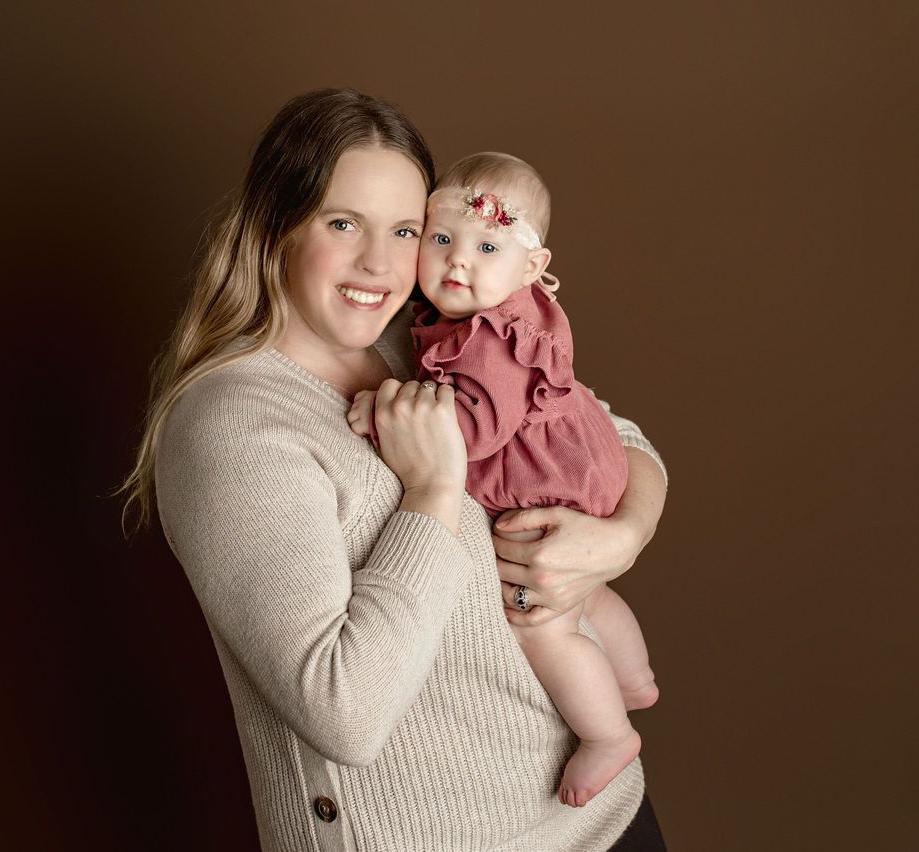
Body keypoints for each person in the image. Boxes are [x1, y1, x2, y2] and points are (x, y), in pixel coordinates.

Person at [120, 89, 668, 851]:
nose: (380, 263)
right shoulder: (231, 428)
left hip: (603, 821)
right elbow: (344, 711)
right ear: (276, 226)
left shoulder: (419, 338)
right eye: (343, 223)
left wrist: (621, 537)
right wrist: (435, 490)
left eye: (406, 230)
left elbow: (613, 432)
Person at [348, 152, 658, 809]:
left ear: (533, 266)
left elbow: (472, 432)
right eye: (440, 240)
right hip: (583, 458)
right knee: (584, 592)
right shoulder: (512, 306)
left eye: (487, 245)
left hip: (552, 482)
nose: (458, 262)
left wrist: (385, 413)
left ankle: (608, 732)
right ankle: (632, 676)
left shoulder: (486, 340)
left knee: (542, 621)